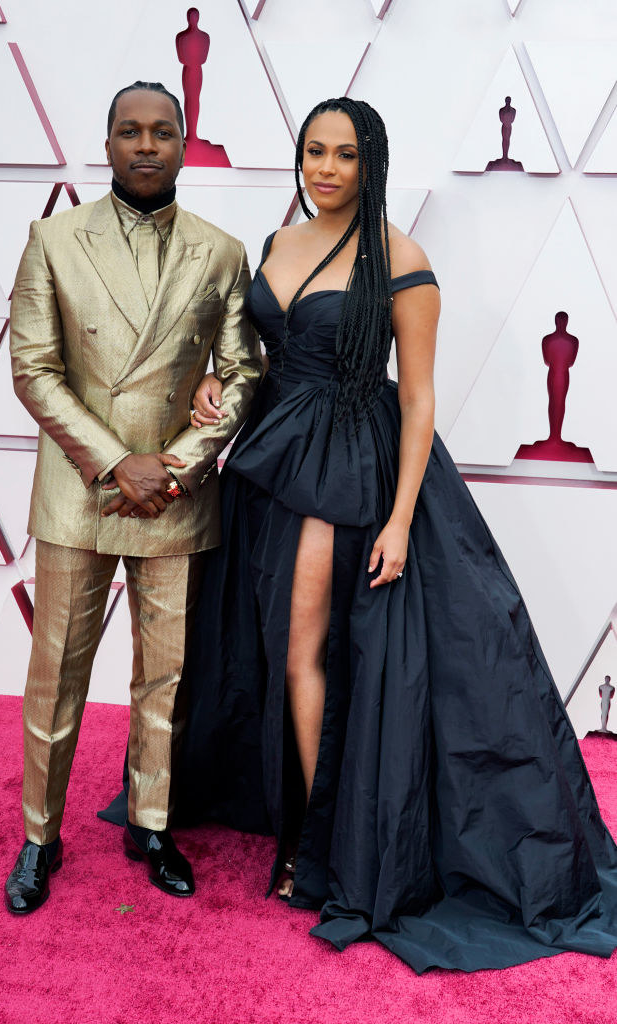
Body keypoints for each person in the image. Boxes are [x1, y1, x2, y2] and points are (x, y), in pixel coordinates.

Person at [170, 97, 617, 972]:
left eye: (343, 155)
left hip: (351, 469)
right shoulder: (277, 244)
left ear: (370, 163)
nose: (325, 169)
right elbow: (266, 356)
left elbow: (416, 398)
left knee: (310, 650)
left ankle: (316, 848)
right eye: (313, 151)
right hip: (272, 460)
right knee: (277, 648)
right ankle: (305, 823)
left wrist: (404, 516)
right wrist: (217, 389)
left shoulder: (402, 258)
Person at [4, 80, 262, 915]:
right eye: (129, 131)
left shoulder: (221, 251)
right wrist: (120, 463)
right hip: (83, 489)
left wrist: (178, 465)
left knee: (168, 676)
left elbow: (244, 368)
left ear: (185, 143)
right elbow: (34, 371)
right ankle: (39, 835)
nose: (146, 145)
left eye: (162, 131)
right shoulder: (53, 240)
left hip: (177, 495)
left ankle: (151, 823)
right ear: (106, 143)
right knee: (57, 673)